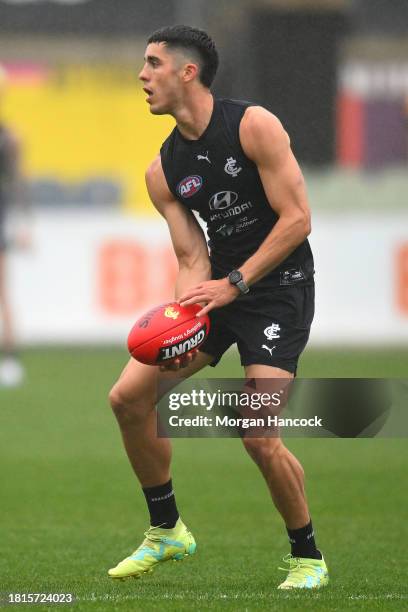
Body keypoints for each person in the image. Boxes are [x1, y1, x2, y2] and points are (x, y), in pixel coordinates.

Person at [108, 25, 328, 589]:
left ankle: (308, 557)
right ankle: (167, 531)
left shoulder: (253, 125)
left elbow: (297, 218)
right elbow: (190, 255)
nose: (142, 75)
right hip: (219, 294)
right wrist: (188, 314)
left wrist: (235, 283)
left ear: (187, 72)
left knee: (258, 436)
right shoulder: (162, 169)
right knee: (128, 398)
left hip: (279, 287)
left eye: (153, 63)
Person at [0, 65, 28, 388]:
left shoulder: (9, 137)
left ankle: (9, 359)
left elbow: (17, 183)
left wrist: (22, 223)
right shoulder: (9, 136)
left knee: (4, 291)